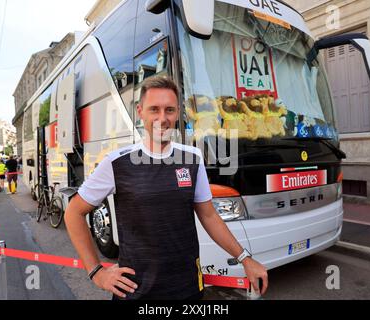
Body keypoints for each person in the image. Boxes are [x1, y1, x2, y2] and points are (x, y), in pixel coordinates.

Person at [64, 77, 268, 300]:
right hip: (136, 292)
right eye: (154, 109)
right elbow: (74, 212)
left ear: (178, 112)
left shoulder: (192, 158)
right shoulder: (116, 162)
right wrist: (96, 272)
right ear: (140, 112)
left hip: (188, 289)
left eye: (169, 110)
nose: (163, 118)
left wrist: (245, 258)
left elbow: (209, 216)